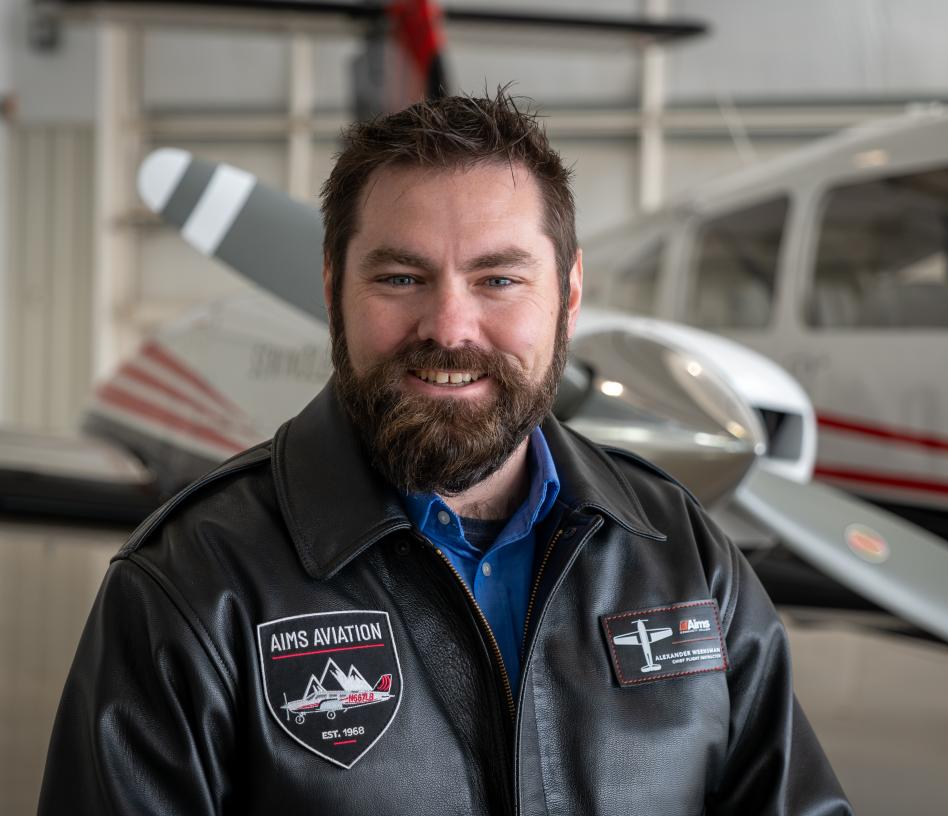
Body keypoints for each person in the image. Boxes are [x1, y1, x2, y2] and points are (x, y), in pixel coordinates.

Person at [39, 89, 852, 815]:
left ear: (568, 296)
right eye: (400, 278)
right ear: (332, 291)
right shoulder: (190, 585)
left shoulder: (681, 551)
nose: (450, 328)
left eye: (499, 280)